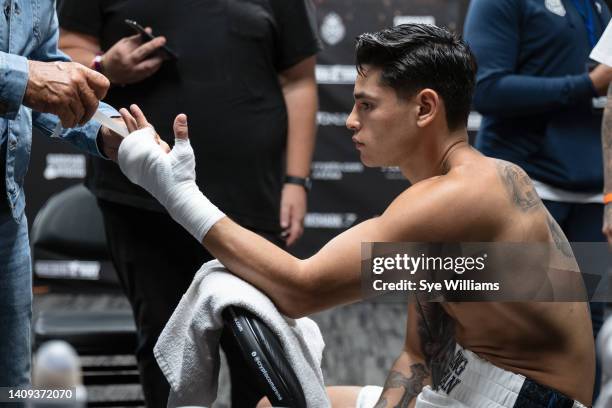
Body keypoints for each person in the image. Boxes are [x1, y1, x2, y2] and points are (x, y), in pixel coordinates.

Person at [116, 24, 595, 407]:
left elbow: (301, 288)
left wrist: (176, 192)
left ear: (425, 108)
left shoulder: (465, 194)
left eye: (367, 105)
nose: (349, 120)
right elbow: (419, 354)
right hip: (461, 384)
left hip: (527, 399)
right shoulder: (453, 203)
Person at [56, 1, 319, 406]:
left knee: (265, 350)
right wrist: (104, 64)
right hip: (143, 199)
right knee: (166, 347)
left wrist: (296, 180)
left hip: (249, 201)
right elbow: (63, 60)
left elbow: (299, 80)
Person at [463, 0, 611, 397]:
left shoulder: (596, 4)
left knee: (586, 330)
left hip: (590, 198)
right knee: (519, 329)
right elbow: (484, 87)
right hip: (524, 193)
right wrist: (588, 85)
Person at [0, 0, 126, 395]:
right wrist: (23, 77)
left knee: (13, 389)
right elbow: (31, 76)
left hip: (7, 218)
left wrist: (108, 128)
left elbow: (45, 71)